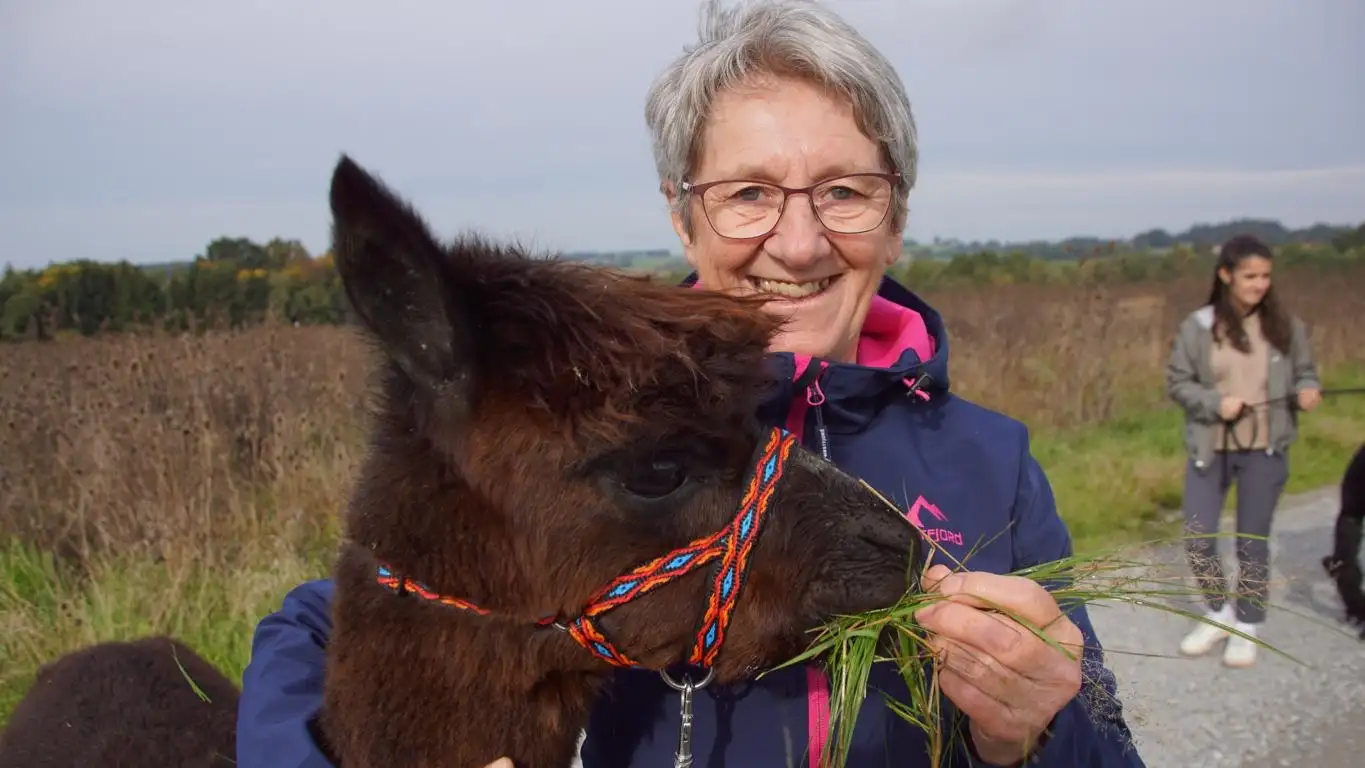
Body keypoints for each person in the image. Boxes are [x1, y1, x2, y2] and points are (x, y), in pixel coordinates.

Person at [236, 1, 1145, 765]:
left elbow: (1101, 731)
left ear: (896, 216)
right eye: (748, 193)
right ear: (682, 215)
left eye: (844, 192)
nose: (797, 243)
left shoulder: (990, 465)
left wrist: (1036, 728)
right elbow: (351, 611)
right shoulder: (604, 424)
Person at [1166, 233, 1321, 668]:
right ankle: (1218, 613)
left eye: (1266, 276)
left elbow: (1306, 373)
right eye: (1250, 276)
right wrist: (1218, 404)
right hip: (1210, 447)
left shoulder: (1286, 327)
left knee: (1251, 542)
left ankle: (1247, 623)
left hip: (1264, 449)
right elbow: (1178, 383)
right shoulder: (1198, 327)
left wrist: (1307, 390)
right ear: (1225, 275)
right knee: (1198, 536)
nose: (1259, 284)